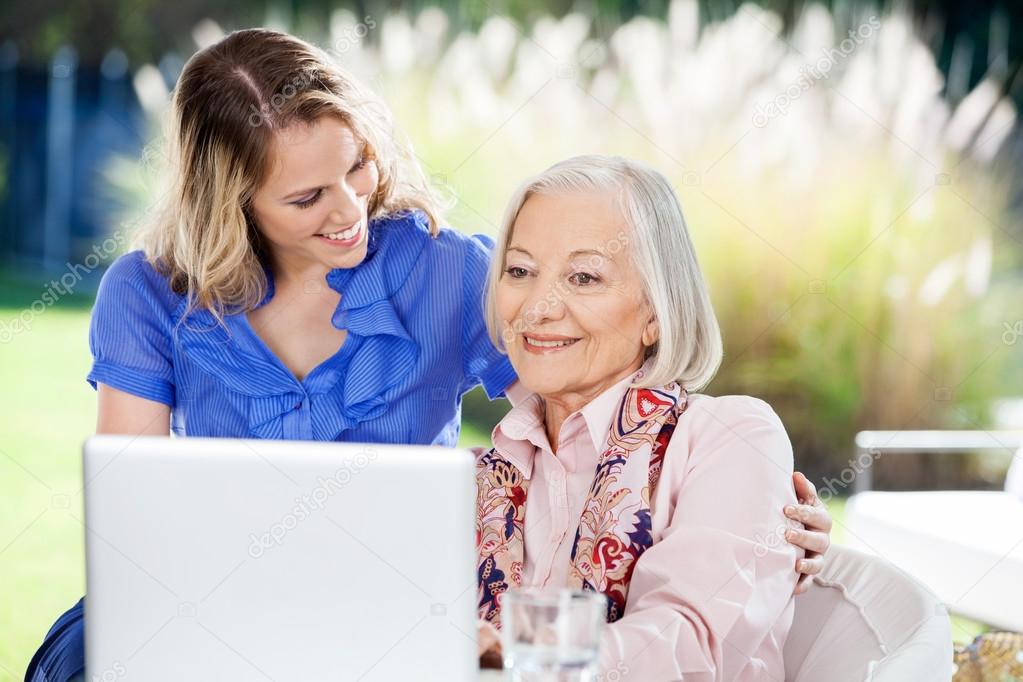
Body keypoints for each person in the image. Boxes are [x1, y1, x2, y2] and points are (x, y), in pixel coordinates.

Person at [26, 30, 830, 682]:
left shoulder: (450, 271)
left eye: (356, 167)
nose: (349, 210)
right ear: (232, 204)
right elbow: (136, 513)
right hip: (202, 591)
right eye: (305, 198)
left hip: (389, 603)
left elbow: (592, 407)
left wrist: (754, 521)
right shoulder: (150, 291)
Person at [476, 155, 824, 680]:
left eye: (584, 277)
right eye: (521, 271)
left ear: (655, 314)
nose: (537, 307)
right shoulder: (487, 472)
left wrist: (519, 649)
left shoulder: (732, 437)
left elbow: (691, 643)